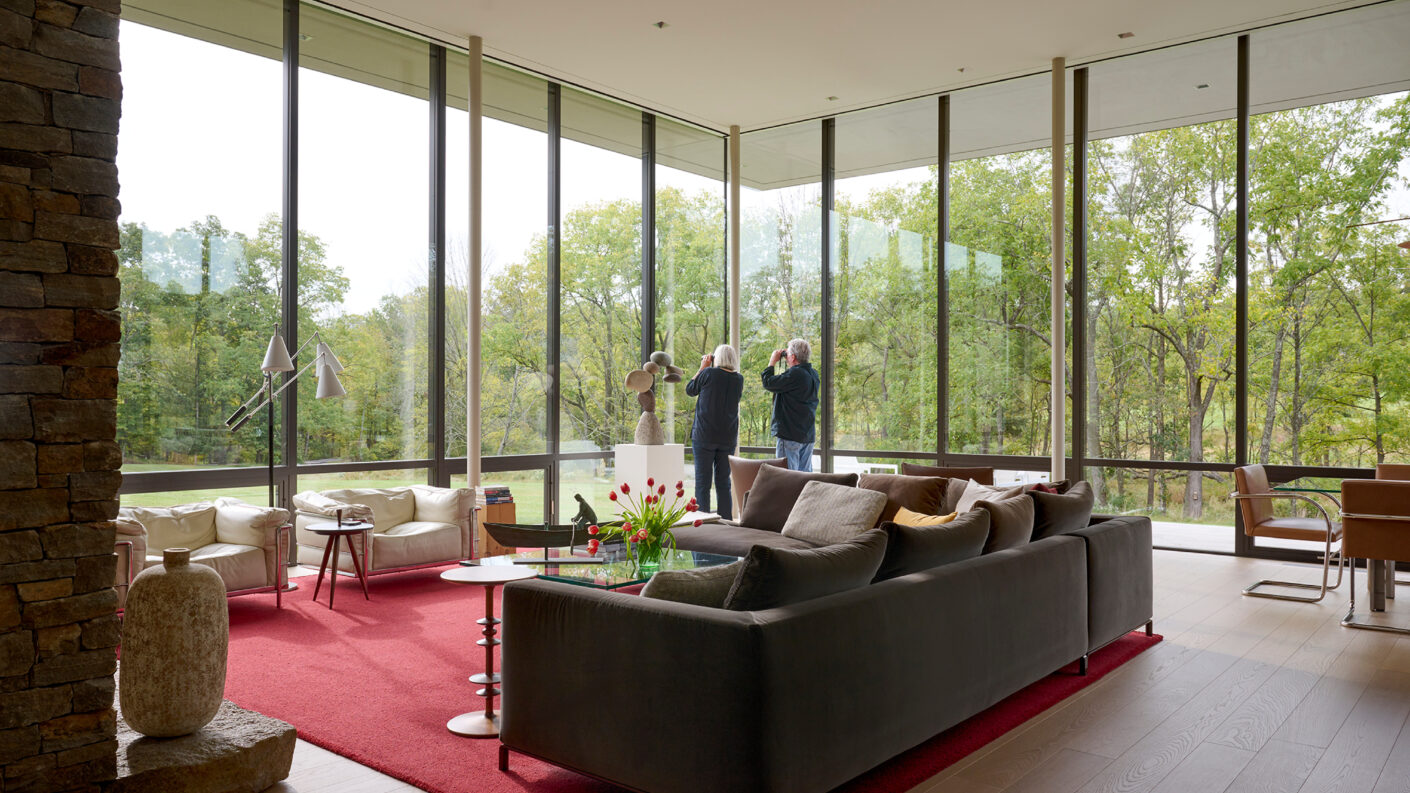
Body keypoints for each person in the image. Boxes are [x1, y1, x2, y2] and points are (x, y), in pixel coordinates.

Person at [685, 344, 744, 519]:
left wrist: (702, 367)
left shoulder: (708, 373)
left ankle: (703, 525)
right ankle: (726, 523)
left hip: (704, 436)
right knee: (723, 483)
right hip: (727, 438)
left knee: (702, 484)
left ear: (717, 359)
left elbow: (690, 389)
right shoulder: (738, 379)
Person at [762, 338, 819, 471]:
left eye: (787, 354)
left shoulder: (795, 374)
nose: (786, 358)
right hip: (807, 435)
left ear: (793, 357)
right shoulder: (813, 374)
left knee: (786, 478)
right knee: (805, 479)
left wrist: (772, 362)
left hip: (790, 435)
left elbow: (768, 382)